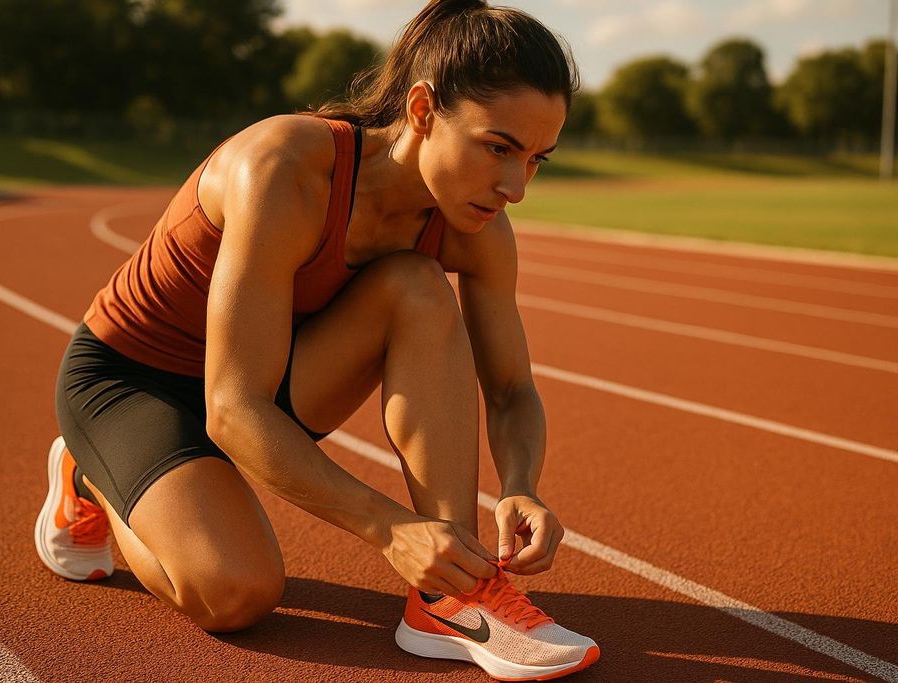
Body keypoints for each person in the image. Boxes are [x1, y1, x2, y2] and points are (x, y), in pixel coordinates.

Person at [34, 0, 599, 678]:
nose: (516, 187)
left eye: (537, 159)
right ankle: (91, 476)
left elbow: (511, 389)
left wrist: (521, 484)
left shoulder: (475, 228)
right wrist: (391, 528)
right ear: (422, 110)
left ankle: (450, 593)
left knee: (419, 287)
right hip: (133, 382)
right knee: (237, 592)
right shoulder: (284, 170)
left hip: (266, 377)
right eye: (499, 148)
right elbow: (232, 408)